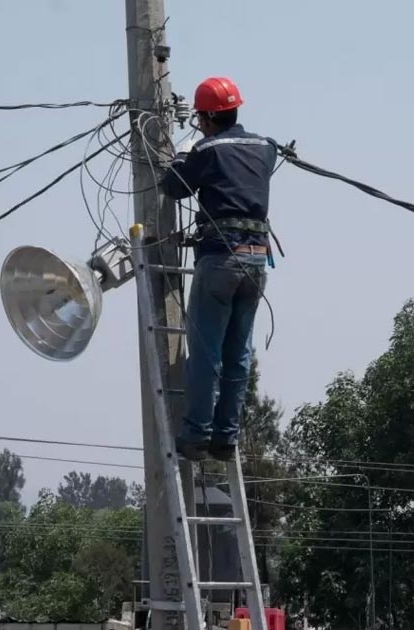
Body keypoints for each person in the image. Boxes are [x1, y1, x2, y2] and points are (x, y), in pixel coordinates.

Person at [160, 76, 277, 462]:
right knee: (238, 353)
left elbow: (173, 186)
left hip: (221, 259)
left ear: (208, 116)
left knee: (207, 353)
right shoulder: (265, 148)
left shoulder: (207, 150)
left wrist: (182, 154)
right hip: (257, 260)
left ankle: (196, 434)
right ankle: (226, 439)